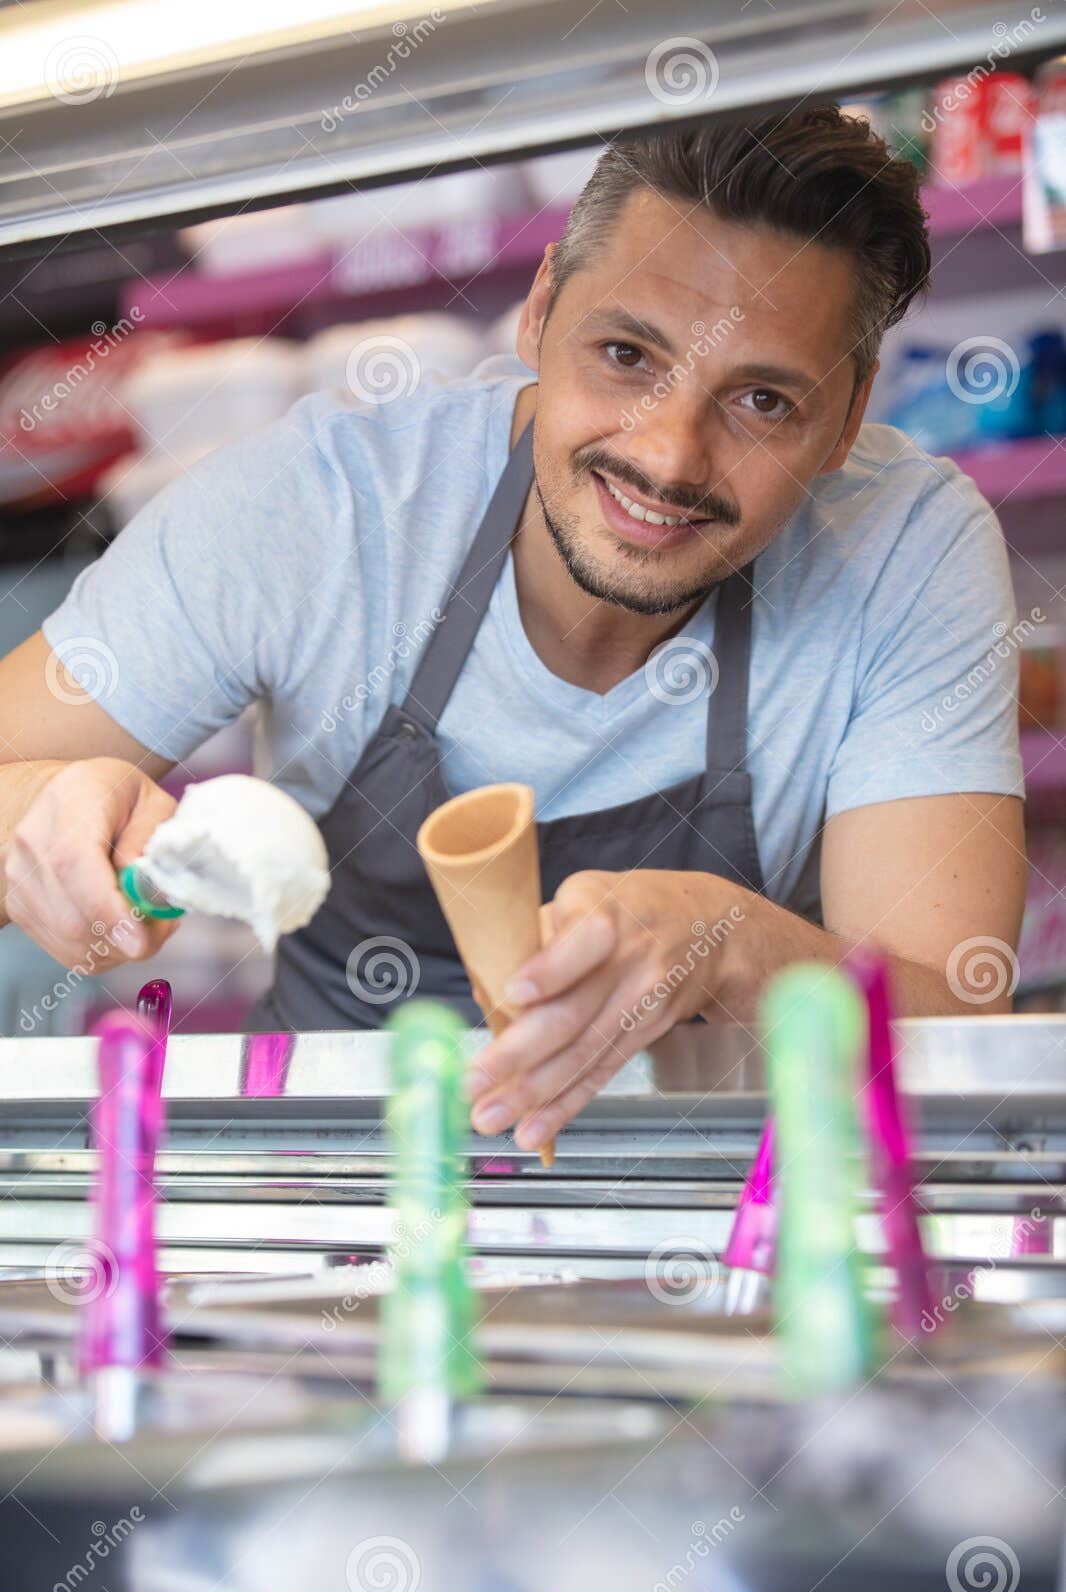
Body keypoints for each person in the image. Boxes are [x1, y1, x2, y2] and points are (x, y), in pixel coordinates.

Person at [0, 107, 1025, 1161]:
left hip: (724, 1210)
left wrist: (731, 942)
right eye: (626, 354)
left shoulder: (905, 550)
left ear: (848, 422)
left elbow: (952, 1031)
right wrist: (31, 809)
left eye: (761, 400)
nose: (668, 457)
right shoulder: (325, 507)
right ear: (539, 312)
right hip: (335, 1201)